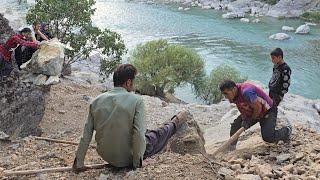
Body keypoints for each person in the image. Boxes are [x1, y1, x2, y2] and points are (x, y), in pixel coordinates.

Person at [73, 64, 192, 173]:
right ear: (128, 82)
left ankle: (172, 122)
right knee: (159, 134)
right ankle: (176, 121)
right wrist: (137, 163)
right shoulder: (136, 101)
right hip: (126, 158)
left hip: (106, 155)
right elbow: (139, 134)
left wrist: (79, 163)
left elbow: (86, 136)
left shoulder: (96, 101)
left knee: (145, 132)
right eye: (133, 81)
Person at [219, 80, 292, 150]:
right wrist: (244, 118)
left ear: (234, 89)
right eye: (223, 94)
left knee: (268, 137)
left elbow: (258, 108)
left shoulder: (246, 92)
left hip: (267, 111)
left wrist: (250, 120)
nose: (225, 97)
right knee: (235, 126)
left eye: (226, 93)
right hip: (252, 111)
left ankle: (287, 131)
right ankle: (231, 149)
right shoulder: (234, 94)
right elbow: (240, 106)